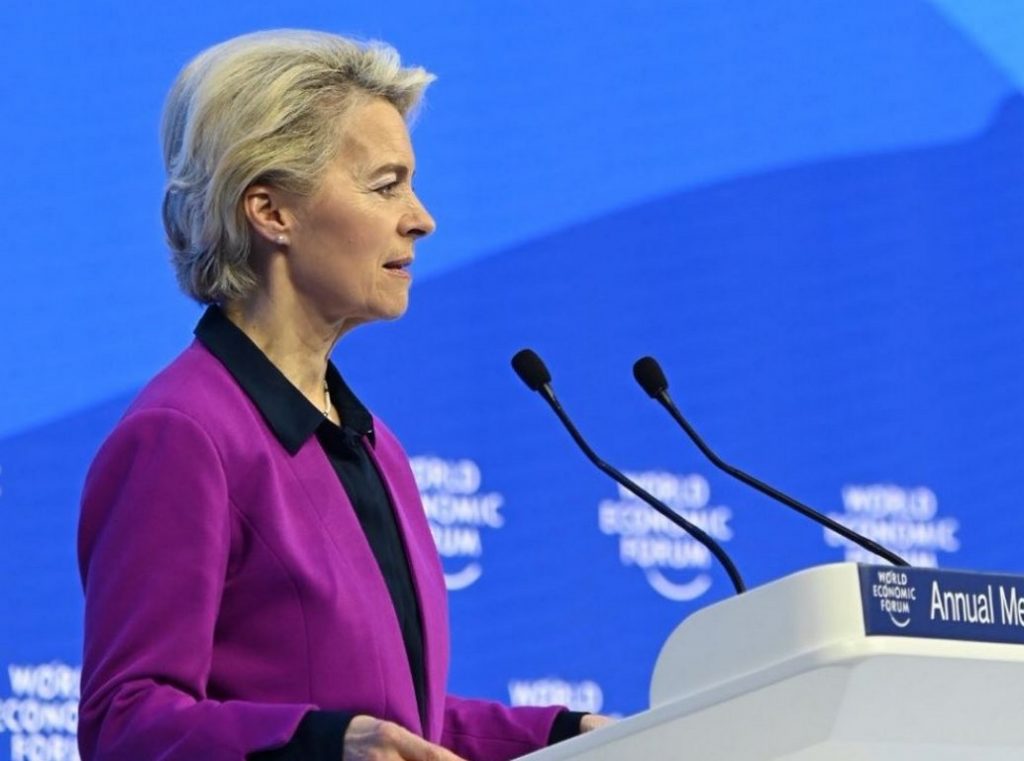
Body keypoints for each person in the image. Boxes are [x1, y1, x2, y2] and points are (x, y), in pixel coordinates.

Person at [77, 29, 609, 761]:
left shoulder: (374, 446)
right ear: (271, 212)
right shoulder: (182, 435)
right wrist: (325, 745)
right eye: (386, 185)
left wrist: (564, 737)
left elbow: (397, 723)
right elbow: (126, 723)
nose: (421, 218)